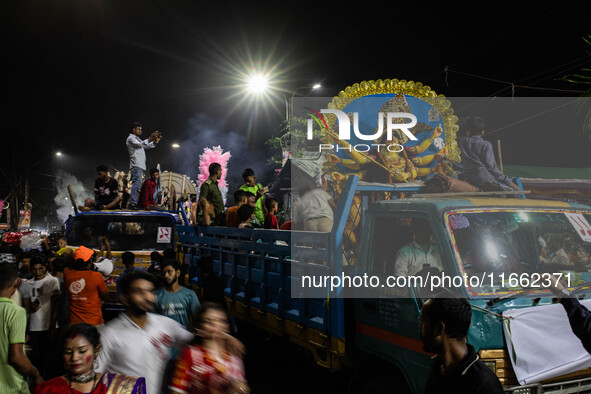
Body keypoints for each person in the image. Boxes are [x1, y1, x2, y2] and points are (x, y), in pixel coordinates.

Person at [96, 271, 194, 394]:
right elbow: (95, 376)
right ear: (124, 298)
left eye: (150, 292)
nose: (148, 297)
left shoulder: (166, 325)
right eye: (139, 292)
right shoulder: (109, 334)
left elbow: (196, 343)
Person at [420, 296, 504, 394]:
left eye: (424, 322)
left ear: (439, 329)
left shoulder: (484, 384)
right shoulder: (438, 370)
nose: (420, 328)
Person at [32, 323, 146, 394]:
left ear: (96, 350)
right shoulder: (48, 389)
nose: (75, 357)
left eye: (82, 351)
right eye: (68, 352)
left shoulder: (120, 387)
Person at [169, 302, 249, 394]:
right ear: (199, 327)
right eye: (208, 321)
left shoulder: (233, 356)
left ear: (227, 326)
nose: (216, 325)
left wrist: (238, 387)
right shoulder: (190, 354)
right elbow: (177, 390)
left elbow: (242, 388)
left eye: (221, 320)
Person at [0, 263, 44, 393]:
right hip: (11, 387)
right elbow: (16, 357)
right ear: (16, 282)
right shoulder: (16, 312)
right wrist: (35, 374)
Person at [459, 116, 520, 192]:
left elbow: (468, 136)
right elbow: (492, 168)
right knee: (513, 191)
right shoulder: (486, 145)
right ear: (483, 132)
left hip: (468, 179)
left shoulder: (463, 142)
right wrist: (509, 182)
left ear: (468, 131)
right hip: (483, 178)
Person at [27, 255, 60, 378]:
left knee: (50, 361)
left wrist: (52, 326)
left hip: (48, 326)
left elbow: (55, 305)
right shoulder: (28, 283)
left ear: (45, 267)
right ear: (30, 269)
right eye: (34, 269)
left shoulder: (52, 281)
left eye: (40, 268)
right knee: (36, 361)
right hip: (34, 327)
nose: (37, 272)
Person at [64, 246, 108, 326]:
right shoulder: (96, 276)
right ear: (90, 261)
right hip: (94, 321)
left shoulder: (67, 274)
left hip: (74, 323)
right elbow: (105, 296)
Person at [155, 260, 201, 330]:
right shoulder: (156, 295)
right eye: (163, 273)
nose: (166, 275)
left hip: (184, 339)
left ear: (178, 273)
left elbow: (197, 318)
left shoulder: (190, 295)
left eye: (169, 272)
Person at [126, 122, 161, 209]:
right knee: (136, 184)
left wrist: (155, 142)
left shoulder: (137, 139)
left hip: (140, 165)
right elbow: (140, 145)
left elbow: (147, 146)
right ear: (134, 130)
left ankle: (134, 202)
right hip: (136, 164)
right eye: (139, 129)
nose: (141, 131)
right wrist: (151, 137)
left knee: (137, 184)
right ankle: (132, 203)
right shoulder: (131, 138)